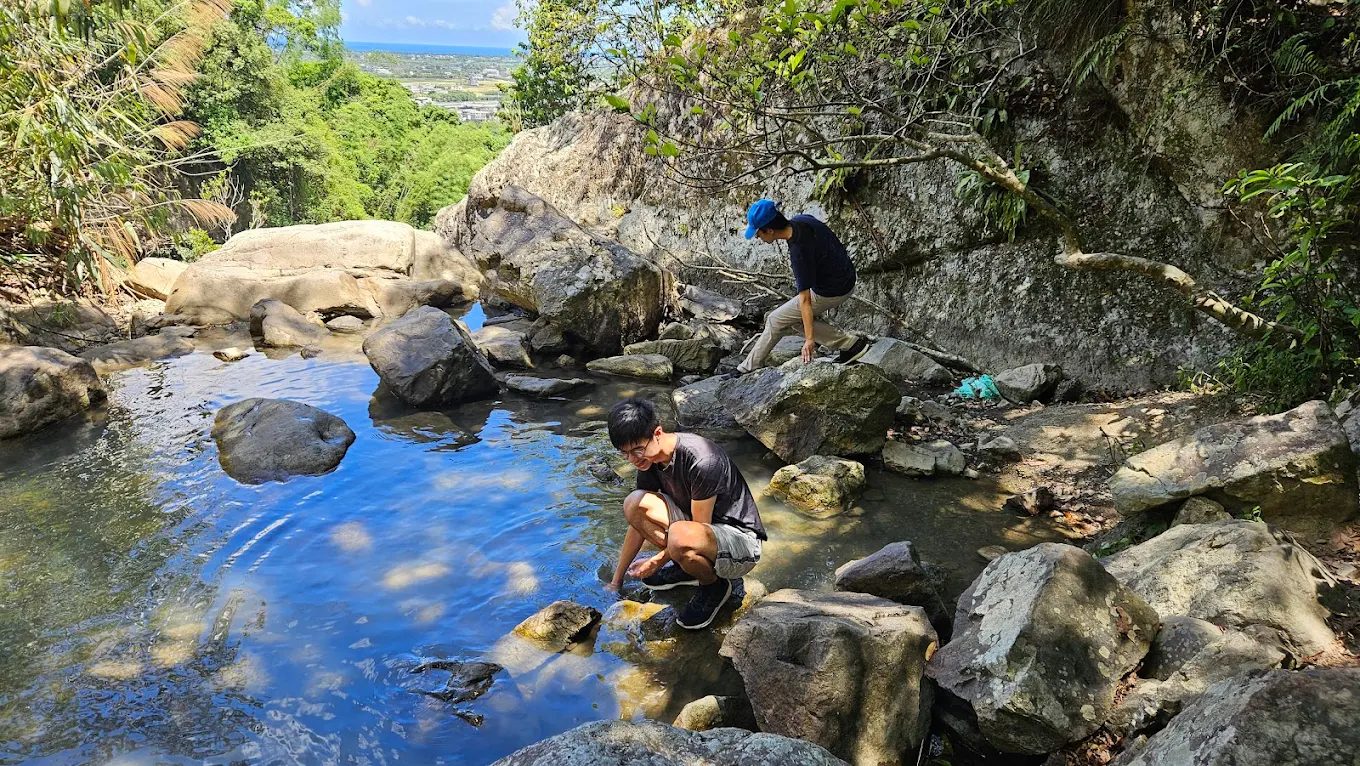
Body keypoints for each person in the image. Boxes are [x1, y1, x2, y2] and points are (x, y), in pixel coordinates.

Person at [605, 397, 766, 630]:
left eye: (638, 449)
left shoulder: (701, 460)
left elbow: (696, 531)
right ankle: (687, 568)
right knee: (634, 503)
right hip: (700, 533)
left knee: (681, 537)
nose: (632, 460)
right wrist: (616, 581)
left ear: (657, 432)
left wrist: (656, 562)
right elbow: (637, 523)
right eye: (624, 453)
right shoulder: (650, 463)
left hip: (741, 542)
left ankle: (714, 586)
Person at [736, 199, 870, 374]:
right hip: (846, 275)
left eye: (758, 234)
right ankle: (849, 345)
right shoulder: (803, 220)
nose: (758, 238)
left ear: (769, 230)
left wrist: (809, 340)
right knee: (792, 319)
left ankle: (746, 369)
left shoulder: (799, 251)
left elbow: (805, 300)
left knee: (775, 320)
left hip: (833, 290)